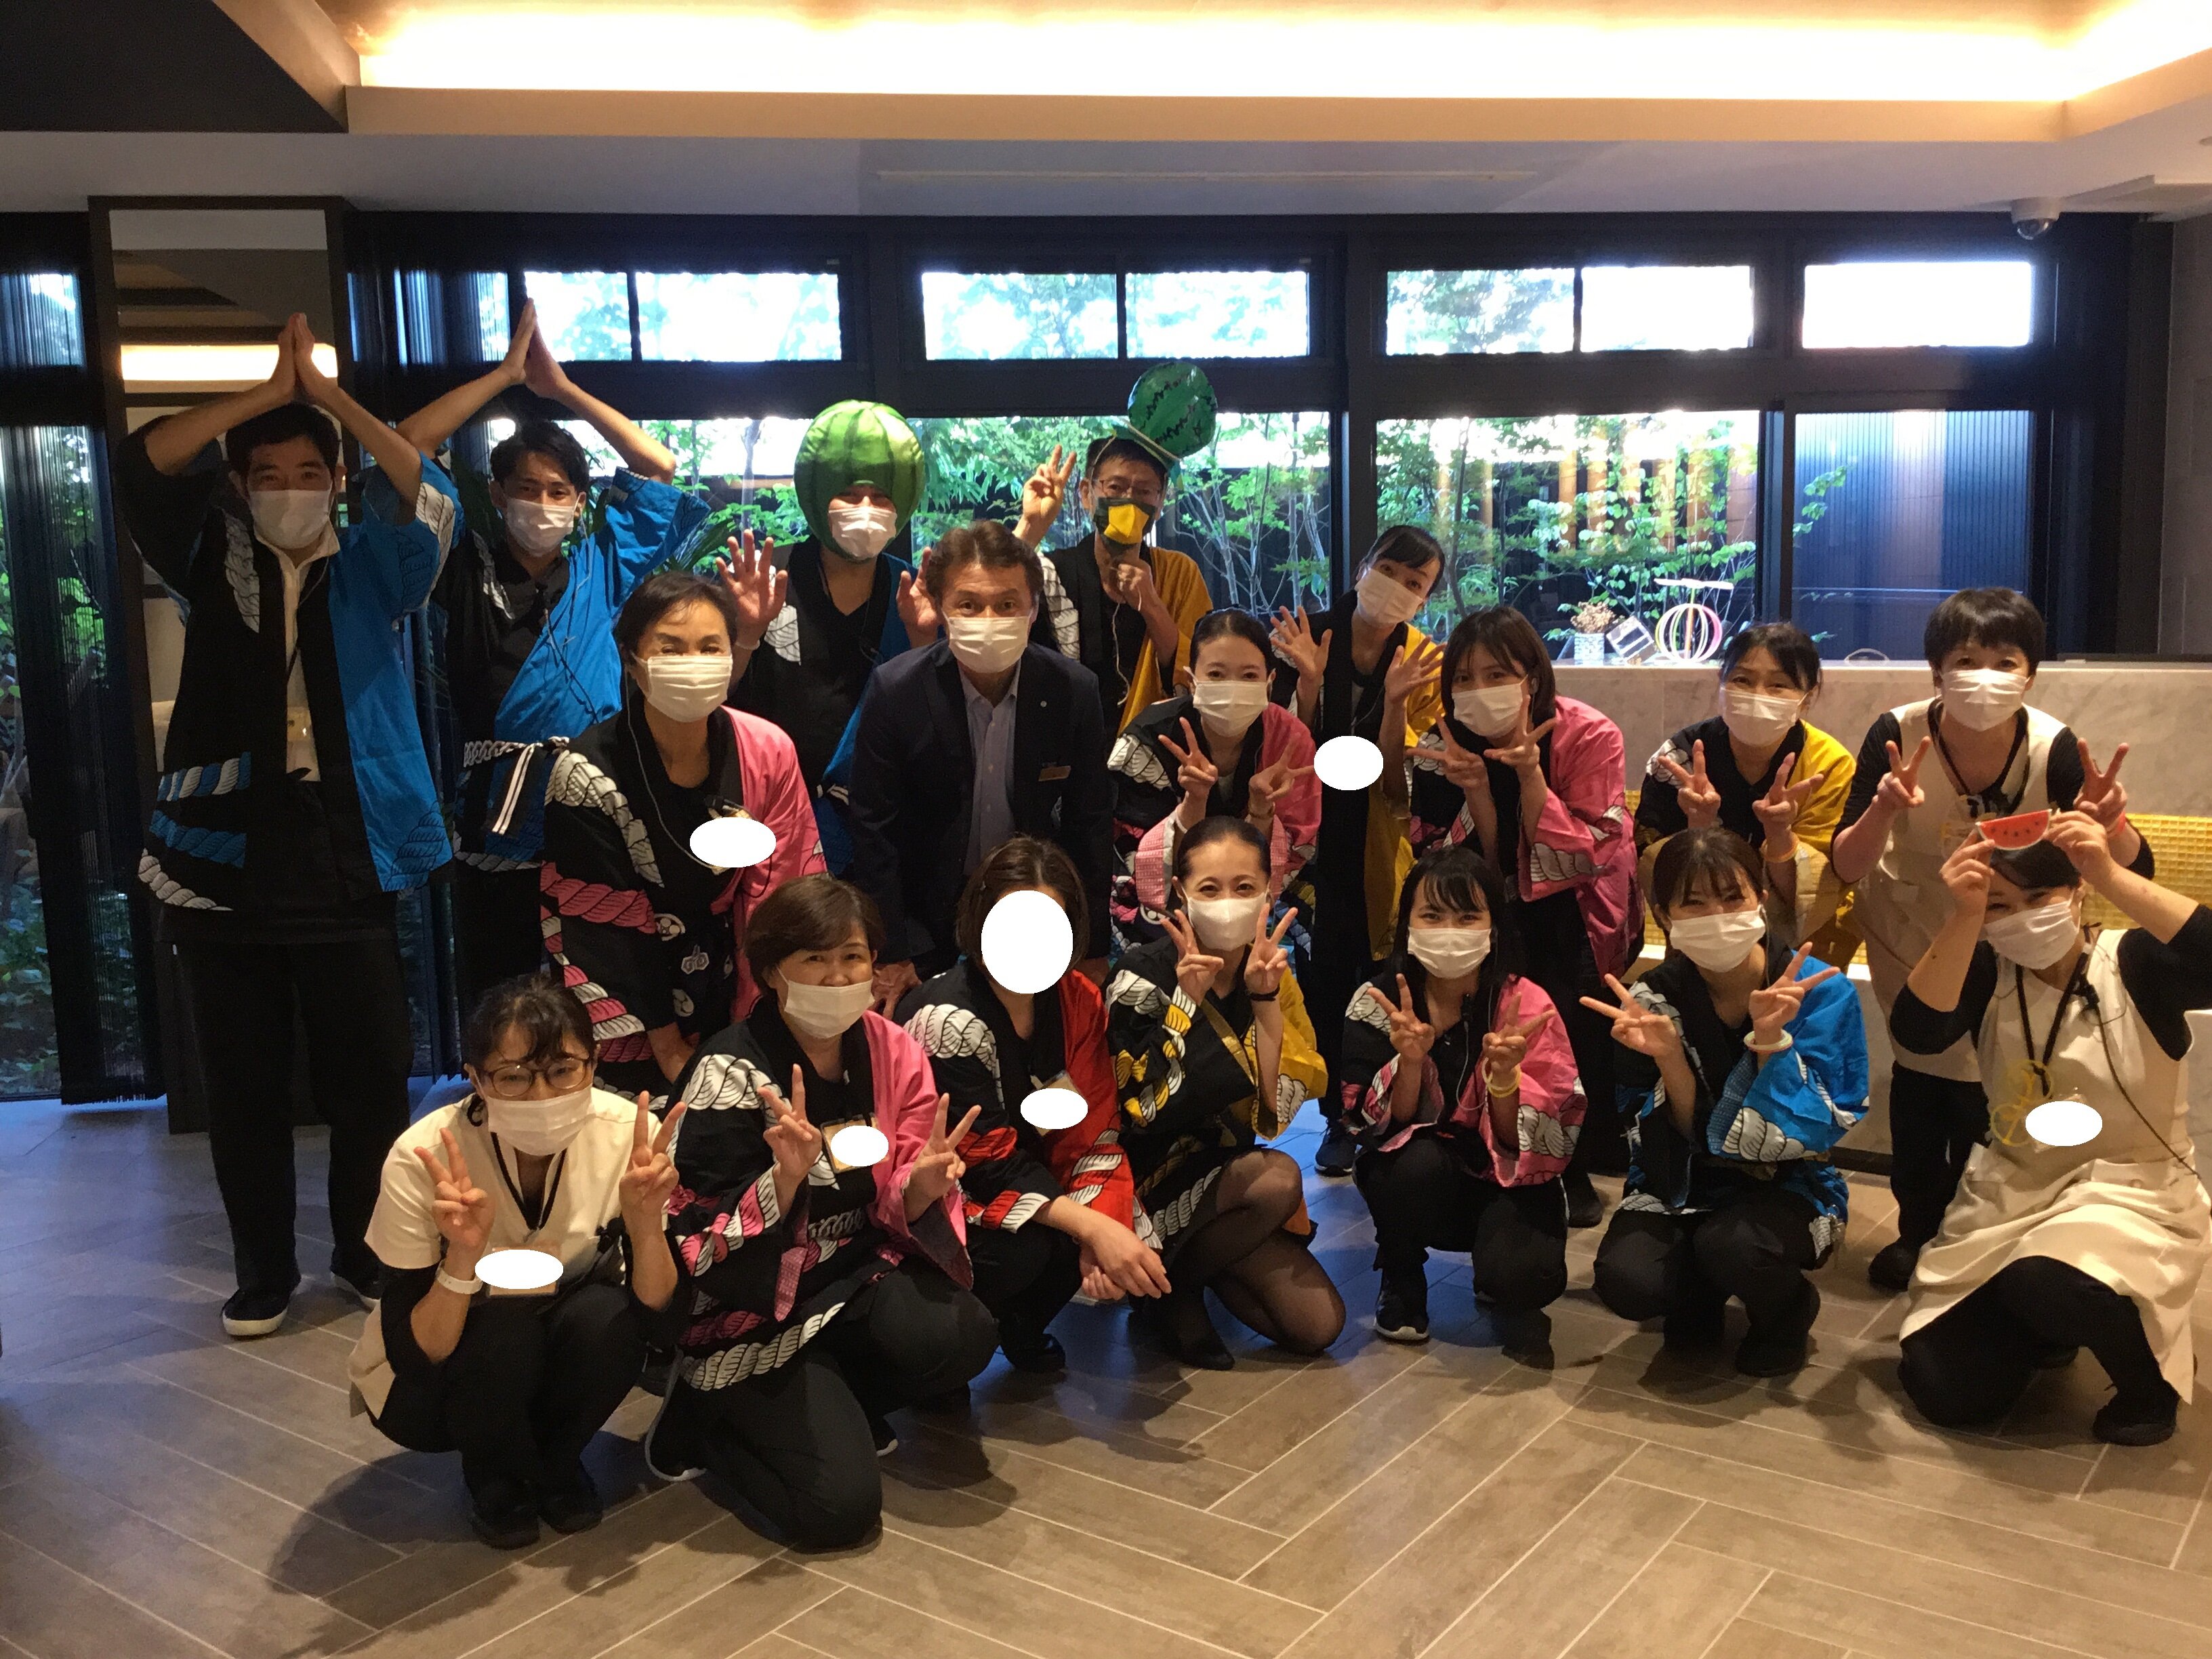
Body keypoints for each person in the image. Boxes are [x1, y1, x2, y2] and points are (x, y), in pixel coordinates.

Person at [117, 313, 459, 1338]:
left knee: (371, 1076)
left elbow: (426, 491)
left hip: (349, 844)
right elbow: (143, 463)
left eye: (310, 471)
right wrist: (270, 394)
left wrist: (331, 401)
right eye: (267, 474)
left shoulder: (374, 563)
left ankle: (363, 1251)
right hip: (223, 858)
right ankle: (263, 1272)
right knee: (245, 1086)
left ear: (339, 479)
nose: (289, 489)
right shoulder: (207, 554)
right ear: (238, 483)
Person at [644, 875, 998, 1547]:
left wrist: (923, 1185)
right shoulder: (728, 1071)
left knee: (962, 1334)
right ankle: (705, 1419)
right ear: (772, 971)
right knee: (839, 1512)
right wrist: (783, 1180)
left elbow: (901, 1179)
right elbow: (696, 1235)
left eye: (853, 957)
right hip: (750, 1307)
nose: (837, 978)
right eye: (815, 959)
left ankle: (837, 1399)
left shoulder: (890, 1048)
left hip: (849, 1273)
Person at [1827, 588, 2150, 1293]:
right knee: (1919, 1089)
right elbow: (1845, 865)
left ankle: (1992, 1236)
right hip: (1915, 939)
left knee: (1996, 1093)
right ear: (1936, 670)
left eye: (2006, 662)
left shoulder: (2054, 746)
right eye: (1966, 660)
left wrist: (2112, 825)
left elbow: (2138, 868)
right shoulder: (1896, 732)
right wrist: (1881, 809)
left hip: (2016, 943)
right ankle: (1918, 1233)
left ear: (2030, 674)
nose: (1985, 677)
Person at [396, 304, 705, 1012]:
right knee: (503, 995)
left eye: (558, 491)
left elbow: (657, 466)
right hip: (496, 818)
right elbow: (409, 444)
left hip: (593, 805)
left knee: (605, 989)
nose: (542, 504)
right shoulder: (462, 565)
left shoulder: (603, 566)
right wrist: (504, 377)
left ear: (578, 502)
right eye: (527, 489)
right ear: (497, 494)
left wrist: (562, 389)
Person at [1891, 815, 2210, 1447]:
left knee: (2048, 1278)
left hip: (2131, 1191)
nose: (2023, 918)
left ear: (2075, 893)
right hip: (2012, 1190)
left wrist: (2110, 872)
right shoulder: (1987, 972)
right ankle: (2049, 1326)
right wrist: (1964, 916)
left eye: (2039, 897)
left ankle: (2148, 1387)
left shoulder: (2136, 961)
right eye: (2001, 905)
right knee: (1944, 1389)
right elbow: (1917, 1034)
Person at [350, 973, 680, 1548]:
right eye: (513, 1076)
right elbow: (417, 1356)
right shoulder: (422, 1155)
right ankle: (494, 1472)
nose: (542, 1095)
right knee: (506, 1332)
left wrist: (648, 1226)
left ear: (594, 1064)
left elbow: (660, 1318)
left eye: (563, 1070)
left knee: (610, 1318)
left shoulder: (632, 1138)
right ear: (477, 1079)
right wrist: (461, 1259)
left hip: (567, 1327)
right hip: (451, 1368)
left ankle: (556, 1462)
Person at [1584, 829, 1868, 1378]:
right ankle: (1698, 1298)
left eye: (1732, 897)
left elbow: (1822, 1122)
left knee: (1734, 1247)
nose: (1716, 915)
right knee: (1628, 1279)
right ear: (1664, 916)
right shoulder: (1649, 1003)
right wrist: (1670, 1059)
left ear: (1760, 898)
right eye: (1694, 903)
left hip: (1791, 1185)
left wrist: (1771, 1042)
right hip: (1683, 1182)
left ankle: (1786, 1312)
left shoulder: (1818, 991)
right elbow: (1655, 1139)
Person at [539, 572, 821, 1101]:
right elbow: (608, 928)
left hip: (738, 983)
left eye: (710, 648)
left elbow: (784, 887)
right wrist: (669, 1048)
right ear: (631, 660)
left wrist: (766, 1018)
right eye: (670, 649)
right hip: (628, 1009)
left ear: (733, 656)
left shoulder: (767, 750)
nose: (693, 662)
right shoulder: (585, 775)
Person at [897, 837, 1166, 1374]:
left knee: (1102, 1219)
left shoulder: (1076, 998)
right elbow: (986, 1165)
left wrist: (1101, 1224)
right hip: (939, 1194)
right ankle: (938, 1352)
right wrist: (1093, 1229)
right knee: (1034, 1243)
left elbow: (1095, 1128)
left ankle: (1020, 1324)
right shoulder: (945, 1018)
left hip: (1030, 1175)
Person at [1408, 605, 1635, 1228]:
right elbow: (1456, 868)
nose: (1478, 690)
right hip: (1486, 907)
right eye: (1464, 677)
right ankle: (1493, 1146)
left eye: (1496, 674)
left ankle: (1571, 1162)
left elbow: (1585, 855)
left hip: (1574, 908)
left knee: (1569, 1024)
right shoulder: (1441, 743)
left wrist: (1530, 774)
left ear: (1531, 678)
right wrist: (1478, 792)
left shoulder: (1587, 734)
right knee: (1495, 1023)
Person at [844, 520, 1115, 1013]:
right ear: (941, 608)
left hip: (1033, 911)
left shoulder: (1072, 691)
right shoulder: (896, 691)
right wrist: (894, 952)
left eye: (1007, 604)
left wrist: (1092, 947)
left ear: (1034, 609)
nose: (989, 619)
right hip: (924, 921)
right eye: (969, 605)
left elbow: (1090, 821)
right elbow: (874, 832)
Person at [1108, 816, 1340, 1368]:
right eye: (1210, 889)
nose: (1228, 902)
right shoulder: (1140, 973)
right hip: (1148, 1178)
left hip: (1226, 1179)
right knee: (1277, 1178)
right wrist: (1185, 1004)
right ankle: (1171, 1294)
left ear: (1268, 893)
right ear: (1181, 893)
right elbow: (1140, 1110)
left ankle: (1186, 1274)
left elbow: (1272, 1112)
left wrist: (1264, 1000)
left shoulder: (1272, 974)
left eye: (1244, 887)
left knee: (1318, 1325)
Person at [1340, 846, 1579, 1357]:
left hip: (1507, 1183)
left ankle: (1497, 1263)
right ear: (1408, 924)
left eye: (1468, 916)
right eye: (1432, 915)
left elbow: (1537, 1137)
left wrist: (1505, 1080)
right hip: (1424, 1179)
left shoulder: (1526, 1005)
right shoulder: (1378, 1002)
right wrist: (1409, 1062)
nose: (1450, 929)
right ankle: (1401, 1274)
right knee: (1405, 1166)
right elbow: (1374, 1128)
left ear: (1494, 927)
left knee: (1525, 1279)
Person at [1270, 526, 1445, 1177]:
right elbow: (1283, 750)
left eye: (1414, 582)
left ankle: (1376, 1108)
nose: (1396, 587)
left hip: (1376, 840)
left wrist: (1395, 703)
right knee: (1318, 978)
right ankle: (1333, 1120)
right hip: (1312, 838)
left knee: (1377, 979)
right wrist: (1310, 686)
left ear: (1425, 598)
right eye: (1388, 569)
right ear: (1363, 565)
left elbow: (1401, 782)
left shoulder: (1421, 661)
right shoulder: (1309, 635)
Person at [726, 401, 939, 871]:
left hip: (879, 829)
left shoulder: (914, 593)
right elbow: (716, 699)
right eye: (849, 494)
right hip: (769, 817)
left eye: (881, 497)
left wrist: (924, 641)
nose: (866, 511)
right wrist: (746, 635)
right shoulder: (767, 580)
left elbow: (931, 718)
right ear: (817, 495)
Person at [1633, 621, 1856, 963]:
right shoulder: (1680, 757)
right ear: (1721, 682)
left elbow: (1819, 893)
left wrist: (1780, 835)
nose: (1757, 695)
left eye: (1779, 685)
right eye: (1742, 680)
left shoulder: (1829, 766)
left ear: (1808, 697)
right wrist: (1698, 830)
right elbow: (1655, 871)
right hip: (1700, 949)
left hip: (1798, 957)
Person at [1109, 607, 1319, 954]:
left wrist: (1261, 811)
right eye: (1217, 675)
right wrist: (1193, 803)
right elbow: (1138, 863)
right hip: (1169, 899)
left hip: (1254, 890)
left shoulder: (1289, 740)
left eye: (1249, 676)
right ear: (1193, 681)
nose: (1232, 688)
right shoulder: (1148, 741)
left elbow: (1297, 850)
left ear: (1269, 682)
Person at [1016, 433, 1212, 736]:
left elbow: (1204, 678)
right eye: (1116, 487)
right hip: (1064, 746)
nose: (1129, 501)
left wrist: (1153, 606)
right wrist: (1030, 526)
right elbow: (991, 603)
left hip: (1152, 749)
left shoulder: (1180, 574)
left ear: (1160, 502)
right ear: (1087, 493)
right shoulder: (1050, 574)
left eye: (1144, 491)